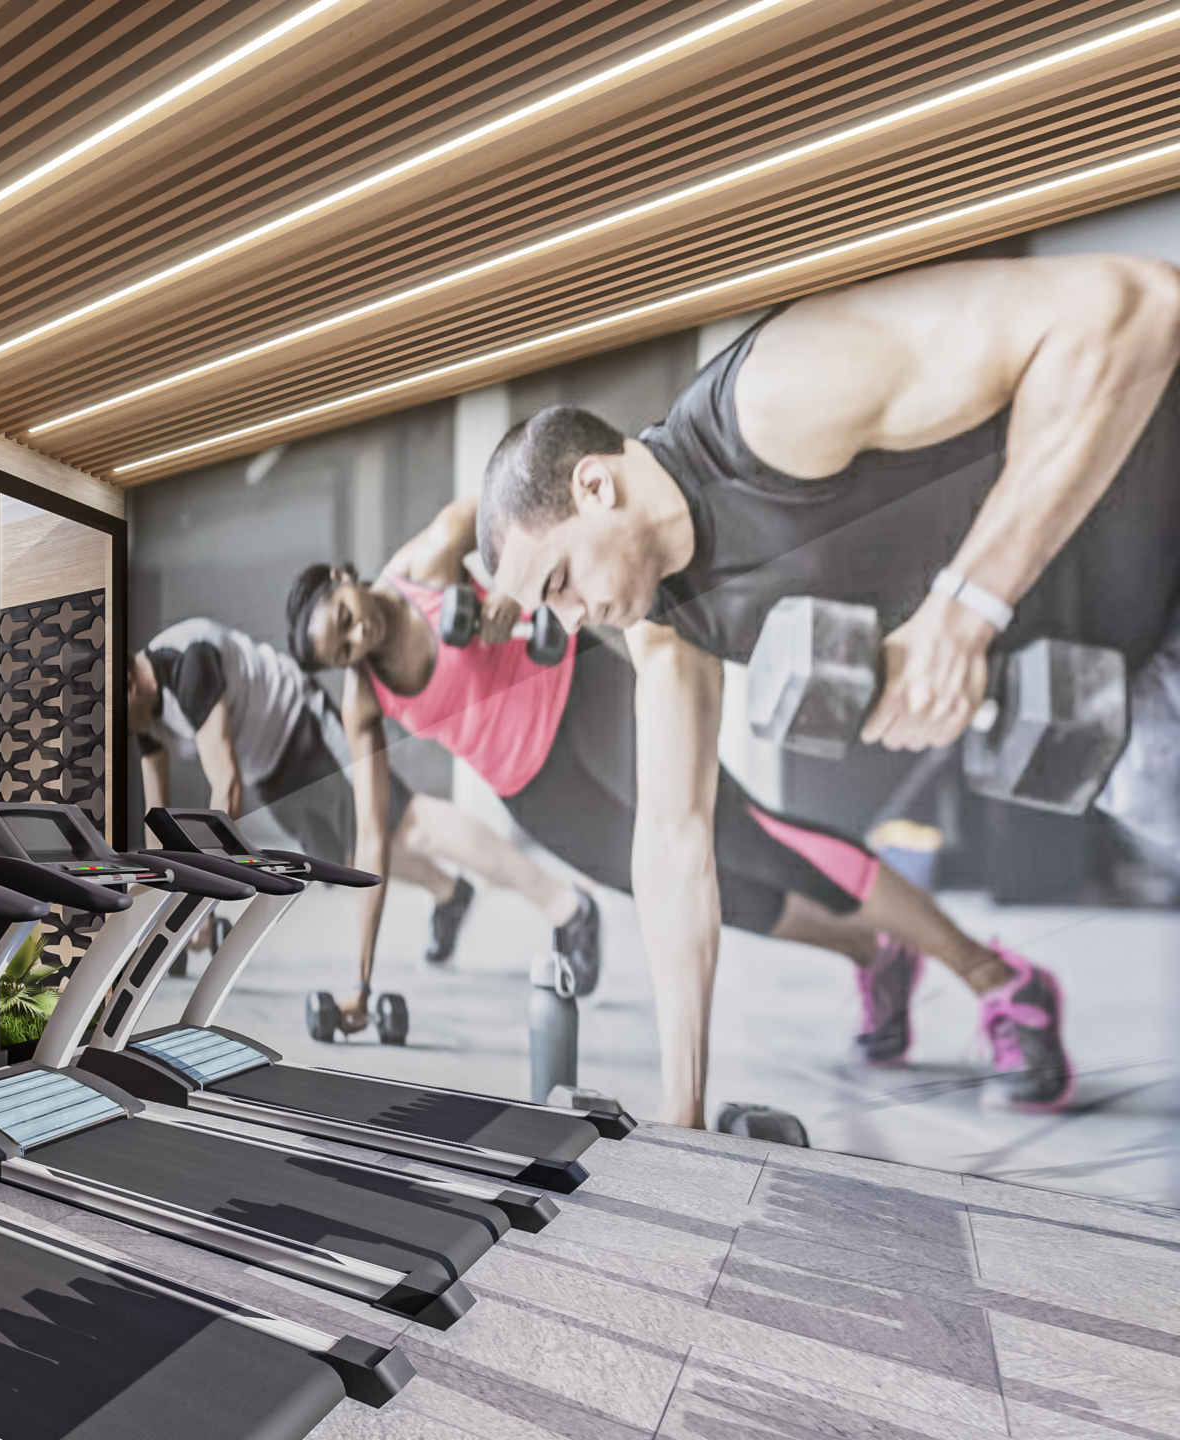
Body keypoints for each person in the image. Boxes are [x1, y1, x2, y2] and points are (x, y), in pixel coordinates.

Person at [472, 256, 1180, 1121]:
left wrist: (967, 606)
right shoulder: (666, 624)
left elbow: (1137, 305)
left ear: (594, 484)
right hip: (1121, 678)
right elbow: (673, 847)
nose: (573, 621)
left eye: (559, 584)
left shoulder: (774, 400)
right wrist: (681, 1118)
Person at [292, 499, 1037, 1108]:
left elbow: (506, 507)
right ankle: (873, 953)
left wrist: (512, 592)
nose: (358, 639)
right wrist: (358, 983)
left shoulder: (426, 562)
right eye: (343, 652)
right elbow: (370, 842)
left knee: (747, 837)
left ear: (342, 578)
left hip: (585, 698)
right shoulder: (367, 700)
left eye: (345, 619)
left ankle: (997, 979)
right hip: (541, 792)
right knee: (717, 899)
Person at [131, 616, 595, 1031]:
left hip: (304, 729)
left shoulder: (186, 666)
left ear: (130, 683)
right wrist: (157, 913)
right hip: (272, 771)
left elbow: (226, 790)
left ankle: (566, 905)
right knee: (350, 859)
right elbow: (159, 818)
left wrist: (196, 905)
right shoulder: (139, 711)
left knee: (407, 823)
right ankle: (450, 893)